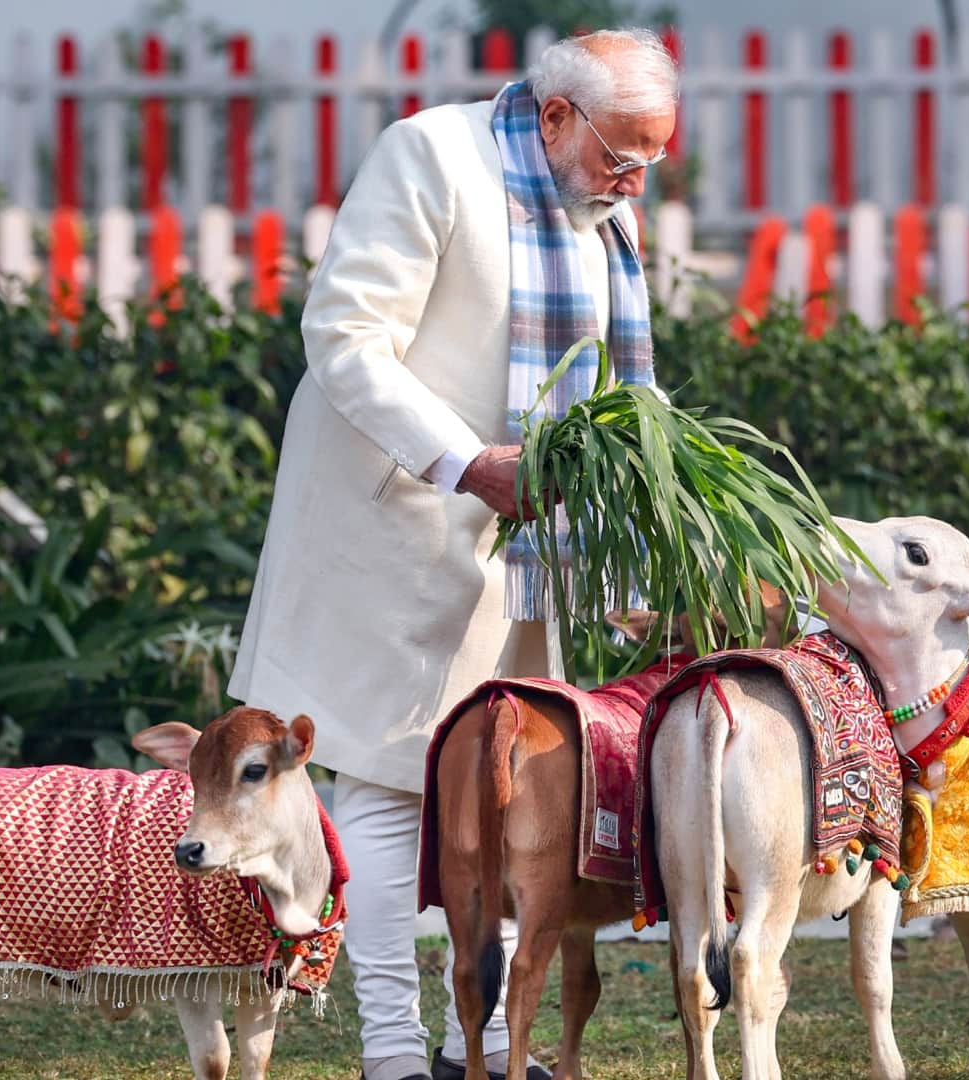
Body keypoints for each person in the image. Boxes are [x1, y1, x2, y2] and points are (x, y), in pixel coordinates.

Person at [227, 28, 678, 1080]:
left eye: (652, 163)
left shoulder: (595, 203)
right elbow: (343, 338)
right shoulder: (429, 155)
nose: (632, 184)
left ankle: (485, 1051)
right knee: (391, 787)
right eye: (621, 155)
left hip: (532, 549)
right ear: (555, 115)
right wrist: (470, 462)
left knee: (519, 794)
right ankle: (392, 1054)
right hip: (402, 522)